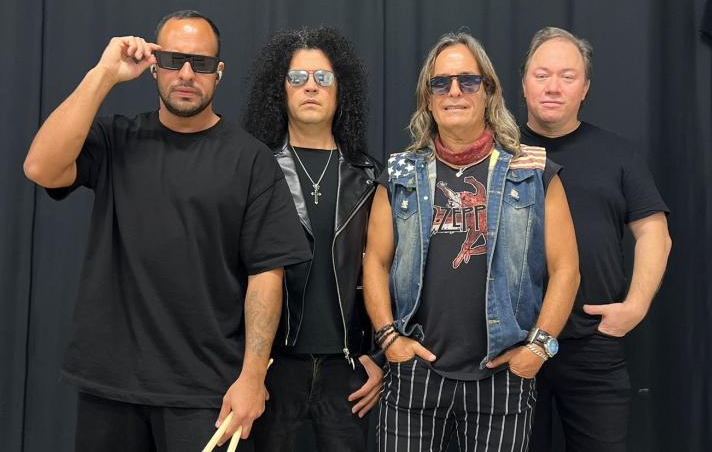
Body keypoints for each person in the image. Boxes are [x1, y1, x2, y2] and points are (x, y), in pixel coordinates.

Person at [22, 10, 311, 452]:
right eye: (174, 59)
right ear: (154, 65)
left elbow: (267, 275)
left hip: (207, 393)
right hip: (111, 385)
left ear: (219, 72)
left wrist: (252, 378)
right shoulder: (117, 140)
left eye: (201, 63)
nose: (187, 74)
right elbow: (41, 167)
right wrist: (104, 74)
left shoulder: (250, 161)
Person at [363, 32, 580, 452]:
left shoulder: (533, 172)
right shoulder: (399, 175)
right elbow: (375, 262)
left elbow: (567, 268)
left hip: (502, 373)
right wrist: (389, 339)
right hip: (415, 376)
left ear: (489, 92)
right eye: (441, 83)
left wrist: (538, 348)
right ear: (428, 98)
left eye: (469, 81)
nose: (455, 92)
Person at [519, 26, 672, 452]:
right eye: (542, 74)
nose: (553, 87)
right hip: (512, 345)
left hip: (592, 345)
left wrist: (635, 306)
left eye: (567, 77)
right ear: (524, 82)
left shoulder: (617, 153)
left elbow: (654, 233)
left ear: (584, 88)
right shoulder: (497, 150)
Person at [243, 27, 383, 452]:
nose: (310, 88)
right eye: (298, 78)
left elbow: (389, 270)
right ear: (278, 90)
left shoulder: (370, 176)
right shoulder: (254, 171)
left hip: (349, 372)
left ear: (342, 91)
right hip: (272, 368)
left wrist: (379, 357)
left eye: (323, 78)